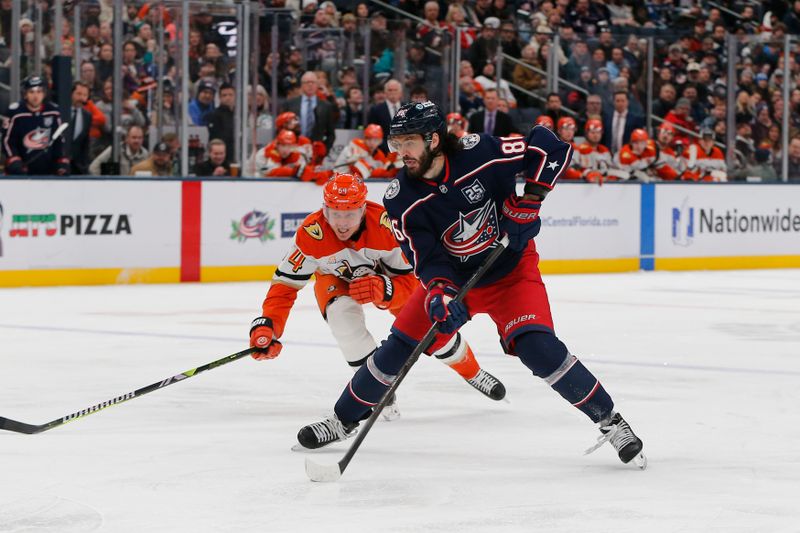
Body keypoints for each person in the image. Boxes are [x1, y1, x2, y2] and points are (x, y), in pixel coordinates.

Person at [293, 101, 646, 470]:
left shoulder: (481, 151)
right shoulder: (401, 200)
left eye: (408, 142)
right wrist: (440, 292)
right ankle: (344, 418)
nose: (399, 153)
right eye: (396, 143)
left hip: (510, 271)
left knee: (538, 348)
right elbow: (426, 260)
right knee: (397, 349)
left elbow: (550, 145)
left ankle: (611, 421)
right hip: (458, 280)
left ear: (433, 139)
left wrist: (533, 199)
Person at [249, 174, 506, 421]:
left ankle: (472, 372)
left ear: (362, 209)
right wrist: (269, 324)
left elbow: (415, 280)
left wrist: (387, 290)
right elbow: (285, 284)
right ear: (325, 210)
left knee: (433, 333)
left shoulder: (387, 226)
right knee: (341, 319)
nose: (342, 222)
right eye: (335, 213)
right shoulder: (311, 234)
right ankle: (377, 392)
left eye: (349, 214)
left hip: (391, 279)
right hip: (335, 280)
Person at [3, 76, 70, 176]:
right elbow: (7, 140)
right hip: (22, 171)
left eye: (39, 92)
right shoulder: (15, 113)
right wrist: (13, 158)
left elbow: (59, 140)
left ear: (44, 94)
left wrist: (61, 160)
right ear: (25, 94)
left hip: (47, 172)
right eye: (31, 92)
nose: (35, 96)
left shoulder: (53, 111)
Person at [334, 124, 401, 179]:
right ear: (365, 139)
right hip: (338, 179)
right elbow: (362, 172)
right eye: (369, 139)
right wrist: (382, 172)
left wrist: (393, 166)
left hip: (354, 183)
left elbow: (389, 169)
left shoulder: (379, 154)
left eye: (376, 140)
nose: (372, 143)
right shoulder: (356, 145)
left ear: (380, 141)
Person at [69, 81, 94, 175]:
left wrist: (85, 165)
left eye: (85, 95)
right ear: (71, 93)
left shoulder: (87, 116)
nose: (81, 98)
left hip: (78, 168)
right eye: (78, 94)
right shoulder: (59, 111)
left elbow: (85, 142)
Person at [207, 83, 236, 162]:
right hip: (222, 157)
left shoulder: (239, 114)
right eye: (224, 95)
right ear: (219, 97)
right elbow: (215, 138)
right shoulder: (215, 115)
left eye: (230, 95)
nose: (228, 98)